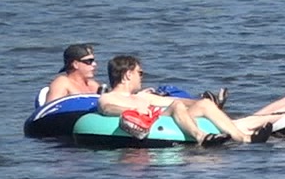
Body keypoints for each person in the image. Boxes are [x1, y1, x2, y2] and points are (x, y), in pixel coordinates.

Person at [96, 55, 261, 144]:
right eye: (140, 73)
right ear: (127, 74)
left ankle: (243, 137)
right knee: (177, 105)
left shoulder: (143, 96)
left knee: (202, 104)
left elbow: (172, 101)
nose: (142, 77)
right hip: (146, 123)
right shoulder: (109, 97)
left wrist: (206, 101)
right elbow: (107, 108)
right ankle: (200, 136)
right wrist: (132, 111)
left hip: (161, 117)